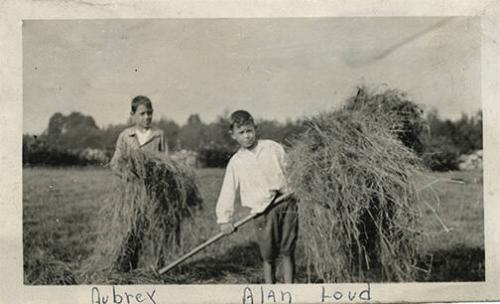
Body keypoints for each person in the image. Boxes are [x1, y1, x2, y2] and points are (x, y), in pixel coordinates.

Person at [215, 110, 299, 284]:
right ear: (233, 135)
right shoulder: (236, 162)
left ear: (255, 128)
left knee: (288, 250)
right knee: (268, 256)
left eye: (249, 131)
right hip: (262, 212)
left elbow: (290, 169)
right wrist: (225, 219)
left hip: (285, 203)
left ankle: (291, 292)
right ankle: (270, 292)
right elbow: (228, 191)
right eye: (242, 133)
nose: (247, 136)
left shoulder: (272, 147)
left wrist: (295, 187)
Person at [109, 95, 168, 271]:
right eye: (142, 113)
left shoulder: (159, 136)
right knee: (132, 230)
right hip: (132, 193)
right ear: (132, 115)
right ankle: (128, 268)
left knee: (156, 230)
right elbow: (114, 163)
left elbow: (166, 162)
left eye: (150, 113)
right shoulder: (126, 136)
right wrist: (128, 174)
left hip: (154, 192)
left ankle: (156, 268)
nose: (147, 117)